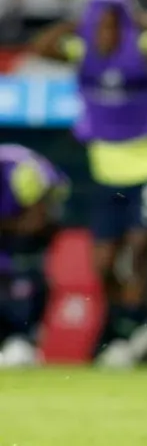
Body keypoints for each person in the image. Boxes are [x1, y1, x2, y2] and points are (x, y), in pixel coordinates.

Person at [29, 0, 147, 368]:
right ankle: (129, 323)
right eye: (99, 25)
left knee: (138, 249)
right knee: (102, 261)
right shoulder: (83, 53)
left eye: (112, 24)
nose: (105, 32)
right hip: (107, 173)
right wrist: (75, 23)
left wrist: (135, 15)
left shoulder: (141, 47)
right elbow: (40, 46)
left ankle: (136, 327)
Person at [0, 145, 69, 366]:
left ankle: (22, 341)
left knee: (22, 275)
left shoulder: (19, 172)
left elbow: (36, 221)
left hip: (32, 233)